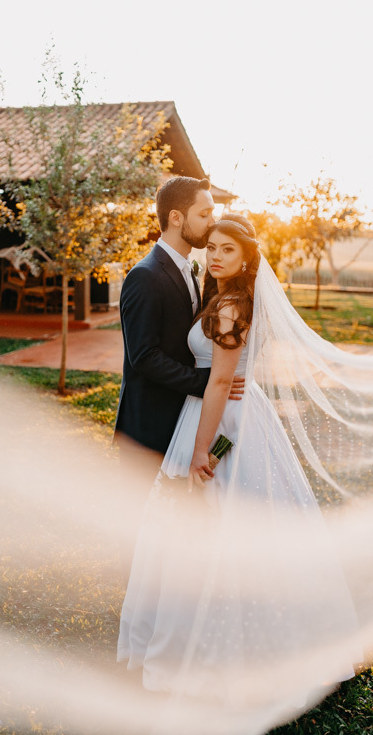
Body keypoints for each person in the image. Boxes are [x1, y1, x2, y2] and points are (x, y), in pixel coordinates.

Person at [117, 215, 363, 708]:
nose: (215, 255)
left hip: (222, 422)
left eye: (227, 249)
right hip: (229, 414)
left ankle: (218, 652)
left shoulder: (229, 307)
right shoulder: (228, 299)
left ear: (247, 257)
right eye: (211, 247)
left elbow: (215, 384)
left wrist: (202, 451)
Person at [113, 177, 244, 568]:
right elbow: (144, 357)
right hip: (147, 425)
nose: (210, 222)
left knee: (173, 521)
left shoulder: (194, 270)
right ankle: (137, 607)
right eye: (204, 214)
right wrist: (208, 384)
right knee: (139, 525)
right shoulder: (145, 275)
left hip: (183, 420)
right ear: (176, 217)